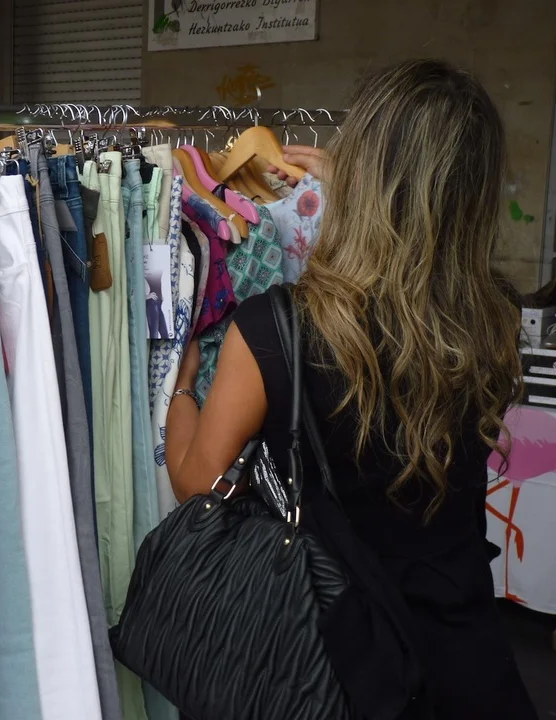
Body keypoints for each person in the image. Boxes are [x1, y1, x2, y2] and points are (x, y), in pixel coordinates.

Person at [165, 59, 537, 719]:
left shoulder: (276, 328)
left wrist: (182, 390)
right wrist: (361, 192)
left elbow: (200, 483)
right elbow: (411, 283)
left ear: (362, 170)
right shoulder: (494, 319)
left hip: (337, 667)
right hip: (467, 661)